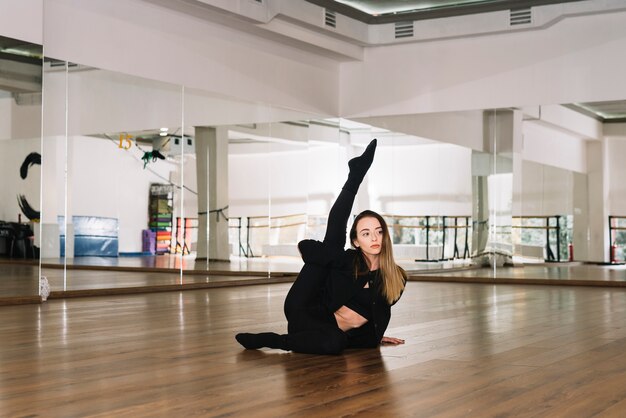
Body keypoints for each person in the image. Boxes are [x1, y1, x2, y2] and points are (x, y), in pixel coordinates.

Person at [235, 139, 407, 355]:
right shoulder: (346, 260)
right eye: (366, 233)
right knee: (332, 244)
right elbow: (306, 247)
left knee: (336, 342)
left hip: (331, 333)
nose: (374, 237)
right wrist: (332, 255)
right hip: (305, 311)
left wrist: (375, 336)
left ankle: (280, 340)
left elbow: (376, 312)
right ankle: (356, 175)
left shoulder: (397, 278)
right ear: (356, 241)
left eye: (379, 231)